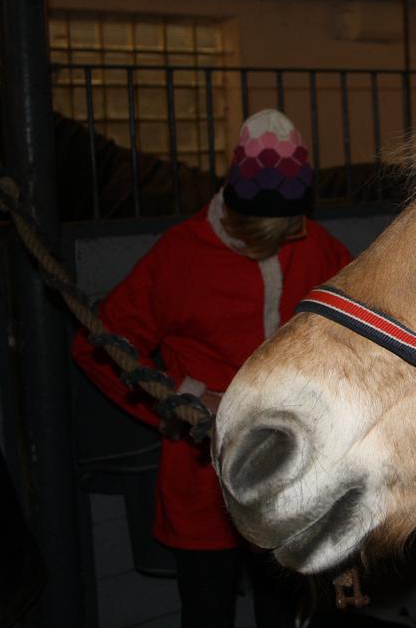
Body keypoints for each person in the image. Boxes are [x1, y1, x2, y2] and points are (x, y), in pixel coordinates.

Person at [71, 109, 351, 628]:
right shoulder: (178, 255)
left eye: (286, 231)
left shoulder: (316, 246)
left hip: (291, 477)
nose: (277, 244)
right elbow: (100, 347)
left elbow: (358, 336)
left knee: (286, 614)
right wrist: (179, 399)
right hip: (202, 478)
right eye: (261, 235)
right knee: (206, 612)